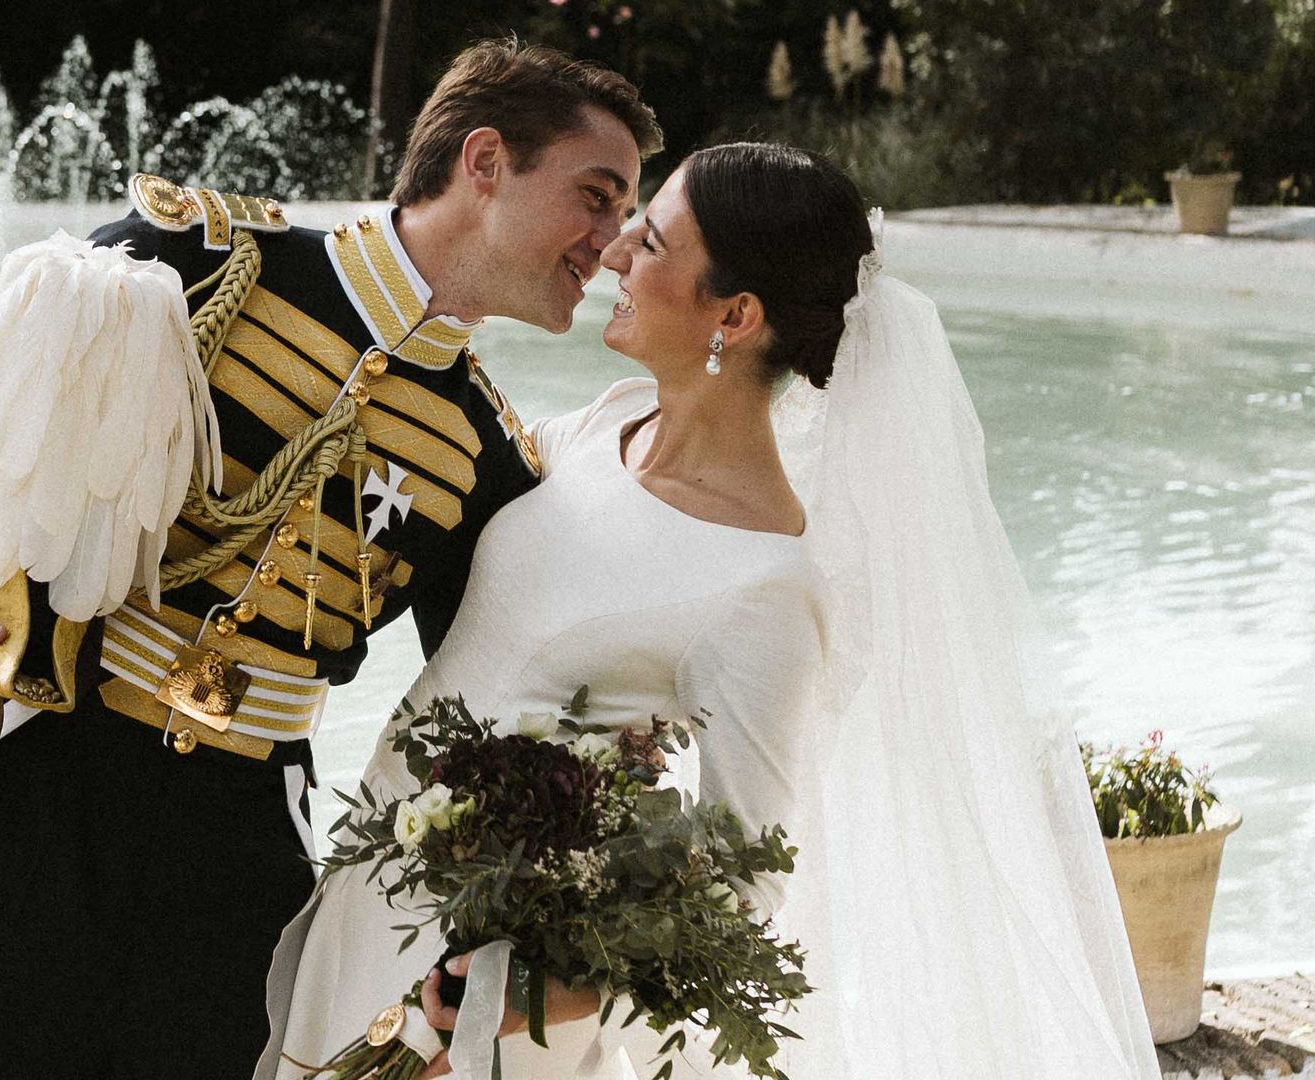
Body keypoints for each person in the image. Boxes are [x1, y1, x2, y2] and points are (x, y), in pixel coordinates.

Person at [0, 39, 663, 1080]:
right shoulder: (203, 255)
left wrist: (556, 883)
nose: (612, 240)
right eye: (598, 196)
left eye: (626, 213)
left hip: (239, 857)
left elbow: (489, 722)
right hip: (30, 792)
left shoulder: (486, 456)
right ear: (484, 163)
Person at [260, 144, 1162, 1079]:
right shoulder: (608, 422)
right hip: (373, 886)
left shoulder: (766, 584)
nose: (612, 253)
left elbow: (745, 877)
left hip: (478, 1006)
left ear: (735, 315)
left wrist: (522, 993)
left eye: (648, 241)